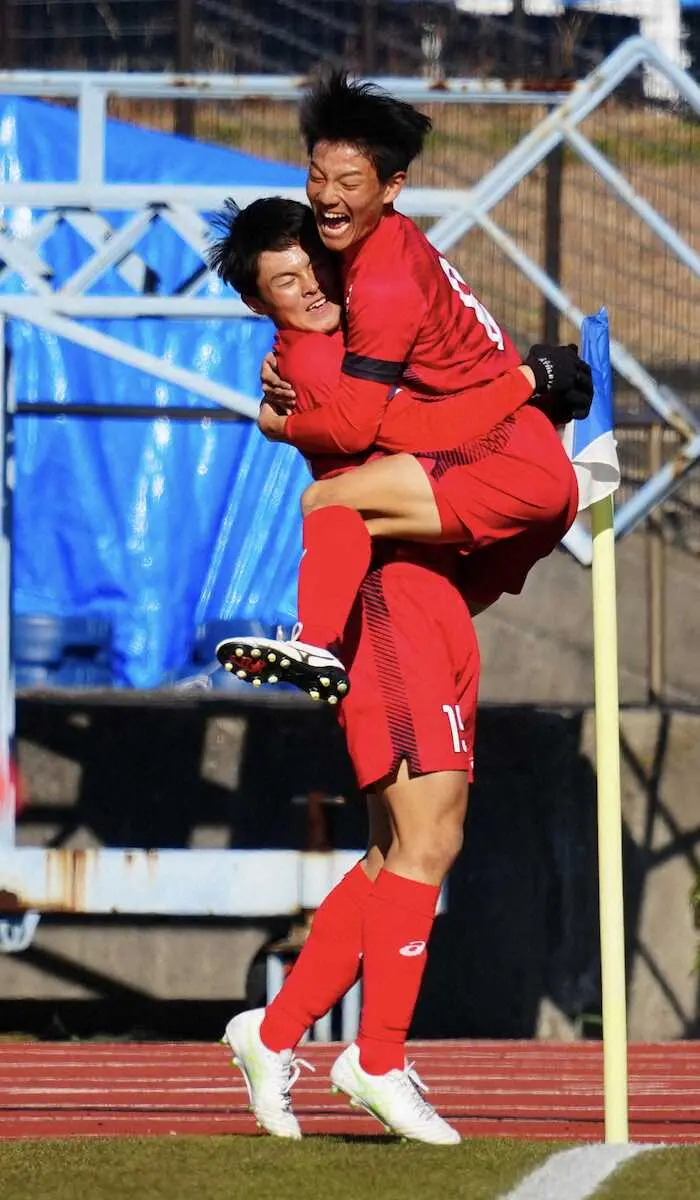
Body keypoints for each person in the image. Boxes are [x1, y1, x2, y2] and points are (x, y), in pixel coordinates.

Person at [206, 199, 582, 1145]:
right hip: (389, 603)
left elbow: (449, 405)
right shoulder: (319, 364)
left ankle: (276, 1032)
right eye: (286, 288)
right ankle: (376, 1058)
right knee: (430, 839)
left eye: (315, 274)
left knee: (396, 853)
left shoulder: (360, 323)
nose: (314, 294)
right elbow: (430, 430)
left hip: (428, 597)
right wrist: (528, 386)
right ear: (265, 309)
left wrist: (535, 407)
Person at [214, 73, 590, 702]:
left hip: (505, 464)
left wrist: (280, 427)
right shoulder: (381, 248)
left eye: (348, 182)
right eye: (316, 176)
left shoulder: (373, 290)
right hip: (510, 482)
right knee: (418, 600)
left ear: (391, 188)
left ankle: (316, 640)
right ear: (256, 303)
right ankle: (323, 642)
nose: (327, 198)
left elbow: (381, 428)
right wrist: (528, 381)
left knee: (328, 504)